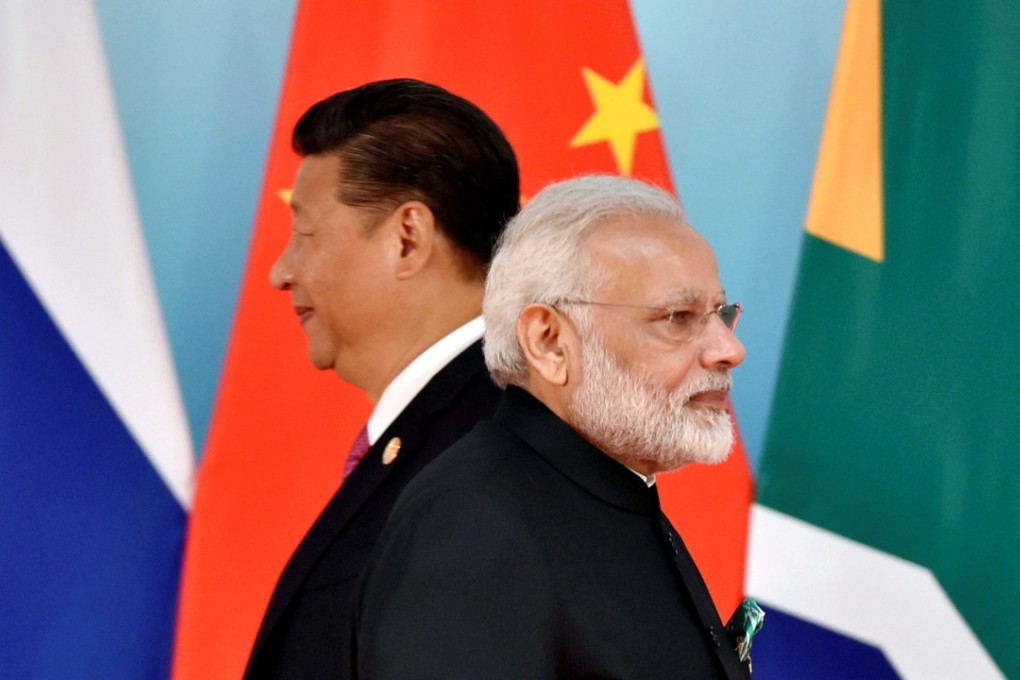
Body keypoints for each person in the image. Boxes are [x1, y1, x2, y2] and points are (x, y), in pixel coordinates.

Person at [353, 174, 751, 679]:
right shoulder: (471, 526)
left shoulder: (608, 495)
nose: (729, 349)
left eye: (719, 313)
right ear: (548, 342)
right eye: (678, 317)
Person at [243, 78, 519, 679]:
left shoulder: (488, 457)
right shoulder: (471, 430)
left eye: (304, 234)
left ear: (408, 239)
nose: (279, 272)